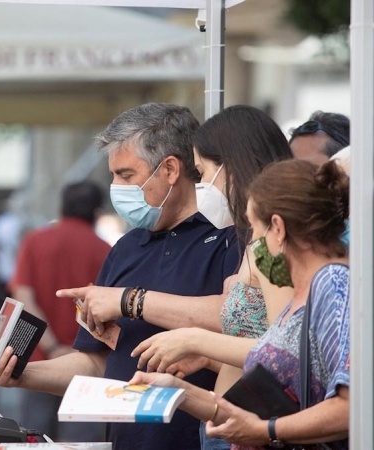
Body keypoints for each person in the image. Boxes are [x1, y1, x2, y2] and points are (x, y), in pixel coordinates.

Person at [0, 103, 241, 450]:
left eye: (127, 175)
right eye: (113, 175)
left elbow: (235, 317)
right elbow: (97, 363)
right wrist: (22, 374)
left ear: (171, 169)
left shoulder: (229, 238)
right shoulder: (125, 248)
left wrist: (128, 301)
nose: (117, 187)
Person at [130, 159, 350, 449]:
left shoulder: (333, 283)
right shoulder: (301, 296)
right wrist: (180, 391)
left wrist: (266, 430)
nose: (255, 243)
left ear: (278, 228)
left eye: (256, 231)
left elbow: (352, 407)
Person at [119, 105, 293, 450]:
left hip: (253, 429)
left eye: (202, 173)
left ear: (233, 167)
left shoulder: (273, 243)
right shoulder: (257, 240)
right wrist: (210, 358)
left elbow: (284, 351)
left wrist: (195, 340)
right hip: (229, 422)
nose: (200, 187)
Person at [9, 180, 111, 441]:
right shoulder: (106, 251)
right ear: (97, 212)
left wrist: (52, 347)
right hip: (87, 365)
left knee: (33, 440)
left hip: (38, 361)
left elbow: (24, 298)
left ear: (62, 206)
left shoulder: (34, 242)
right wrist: (73, 350)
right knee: (80, 443)